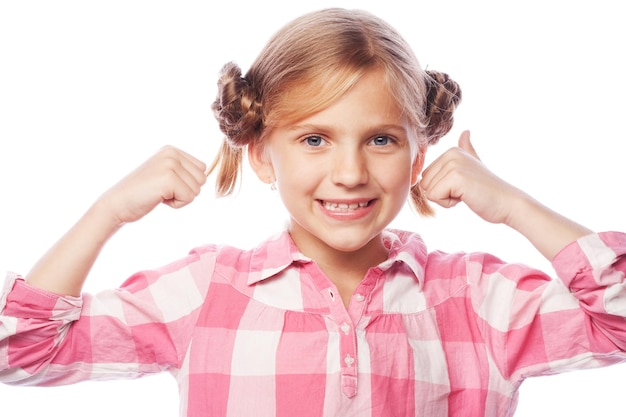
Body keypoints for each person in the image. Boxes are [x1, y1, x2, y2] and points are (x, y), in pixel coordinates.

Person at [1, 6, 625, 417]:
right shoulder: (205, 292)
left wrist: (515, 205)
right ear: (261, 154)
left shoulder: (477, 299)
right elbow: (18, 351)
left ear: (418, 156)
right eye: (314, 139)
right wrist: (106, 211)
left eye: (381, 140)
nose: (350, 172)